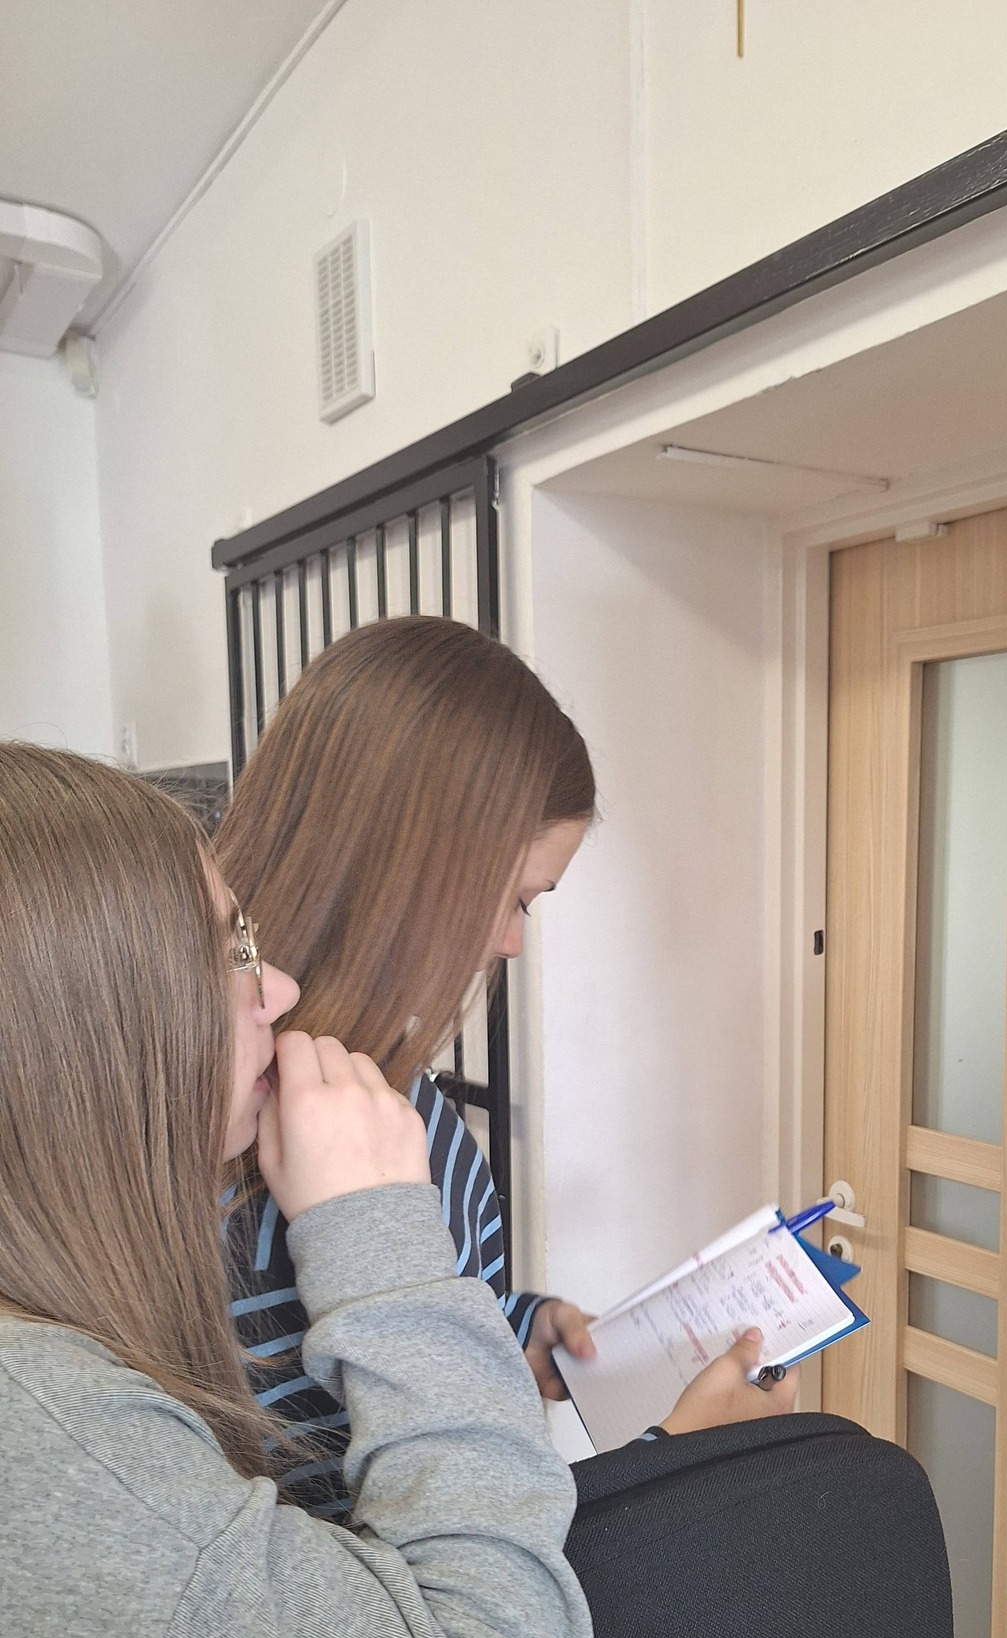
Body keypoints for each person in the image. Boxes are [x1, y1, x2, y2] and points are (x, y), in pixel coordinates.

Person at [0, 743, 594, 1638]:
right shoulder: (42, 1433)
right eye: (224, 953)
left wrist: (510, 1330)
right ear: (88, 1021)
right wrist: (385, 1238)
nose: (273, 987)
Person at [215, 616, 793, 1504]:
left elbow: (399, 1348)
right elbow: (403, 1563)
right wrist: (677, 1455)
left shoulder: (368, 1084)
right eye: (513, 899)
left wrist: (510, 1329)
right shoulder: (262, 1153)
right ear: (407, 871)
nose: (512, 942)